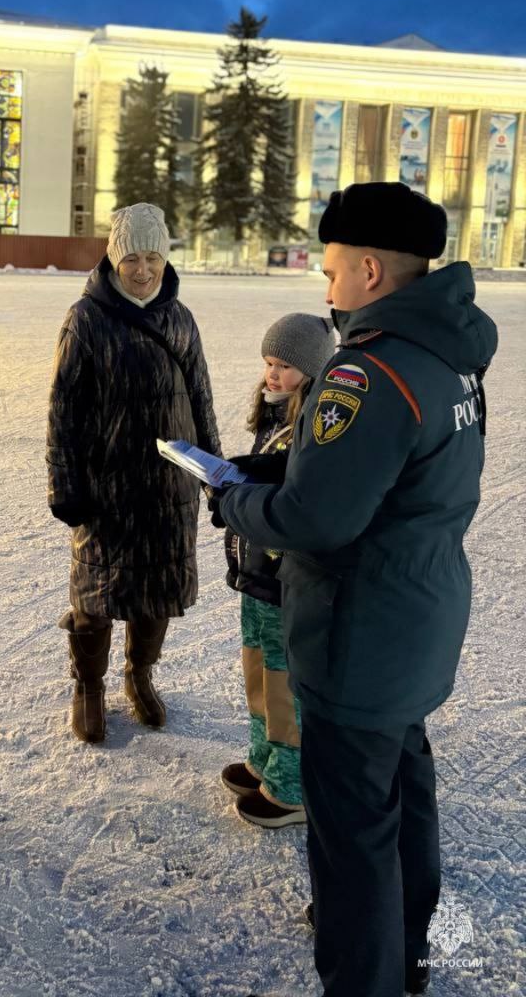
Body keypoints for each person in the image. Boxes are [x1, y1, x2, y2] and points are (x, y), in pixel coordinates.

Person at [213, 182, 498, 997]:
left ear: (371, 270)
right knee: (401, 790)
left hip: (358, 634)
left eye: (332, 268)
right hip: (416, 619)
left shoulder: (368, 372)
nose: (326, 285)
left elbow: (318, 517)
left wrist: (236, 496)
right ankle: (405, 943)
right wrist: (280, 466)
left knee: (351, 840)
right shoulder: (446, 355)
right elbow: (389, 476)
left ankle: (365, 966)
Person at [47, 202, 221, 743]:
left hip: (169, 488)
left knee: (157, 593)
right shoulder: (87, 319)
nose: (142, 269)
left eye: (152, 257)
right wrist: (66, 485)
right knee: (96, 596)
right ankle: (89, 686)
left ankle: (139, 675)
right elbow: (64, 411)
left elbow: (200, 398)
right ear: (112, 259)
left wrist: (216, 473)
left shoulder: (180, 318)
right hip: (108, 489)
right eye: (131, 259)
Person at [221, 312, 335, 829]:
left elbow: (295, 498)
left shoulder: (311, 424)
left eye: (285, 366)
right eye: (269, 363)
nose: (272, 375)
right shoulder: (273, 417)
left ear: (310, 371)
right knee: (256, 666)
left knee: (282, 675)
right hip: (256, 570)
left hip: (283, 576)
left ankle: (291, 786)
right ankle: (265, 758)